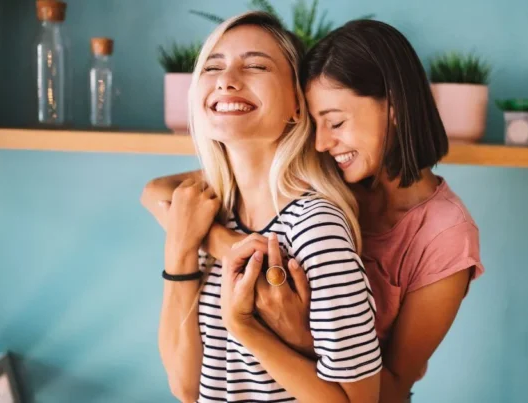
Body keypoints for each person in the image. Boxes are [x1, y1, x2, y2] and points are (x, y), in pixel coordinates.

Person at [143, 18, 484, 403]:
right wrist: (226, 245)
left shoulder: (441, 234)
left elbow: (386, 389)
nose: (321, 143)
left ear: (394, 107)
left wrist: (291, 331)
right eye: (315, 121)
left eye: (336, 122)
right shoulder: (332, 171)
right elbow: (156, 191)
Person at [146, 11, 384, 402]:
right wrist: (183, 246)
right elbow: (187, 389)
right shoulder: (209, 215)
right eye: (212, 66)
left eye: (256, 65)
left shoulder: (315, 228)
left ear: (297, 104)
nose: (226, 79)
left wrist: (245, 327)